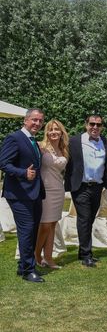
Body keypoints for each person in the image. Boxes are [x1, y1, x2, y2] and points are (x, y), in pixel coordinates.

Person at [0, 108, 46, 282]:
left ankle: (23, 266)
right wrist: (22, 173)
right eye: (34, 120)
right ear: (26, 120)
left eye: (40, 121)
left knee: (32, 230)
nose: (37, 123)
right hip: (19, 194)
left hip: (34, 193)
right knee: (26, 231)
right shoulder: (15, 138)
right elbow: (3, 163)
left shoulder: (33, 140)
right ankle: (28, 270)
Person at [65, 114, 107, 268]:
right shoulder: (74, 141)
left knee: (90, 219)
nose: (95, 127)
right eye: (92, 124)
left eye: (99, 125)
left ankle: (82, 250)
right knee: (84, 219)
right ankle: (87, 254)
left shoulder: (105, 142)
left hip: (98, 187)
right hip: (81, 186)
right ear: (86, 125)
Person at [34, 119, 69, 269]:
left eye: (57, 129)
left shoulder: (65, 149)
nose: (54, 132)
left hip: (58, 190)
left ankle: (49, 257)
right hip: (45, 190)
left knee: (53, 224)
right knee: (45, 224)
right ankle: (36, 255)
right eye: (50, 129)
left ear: (62, 133)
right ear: (46, 132)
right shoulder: (41, 147)